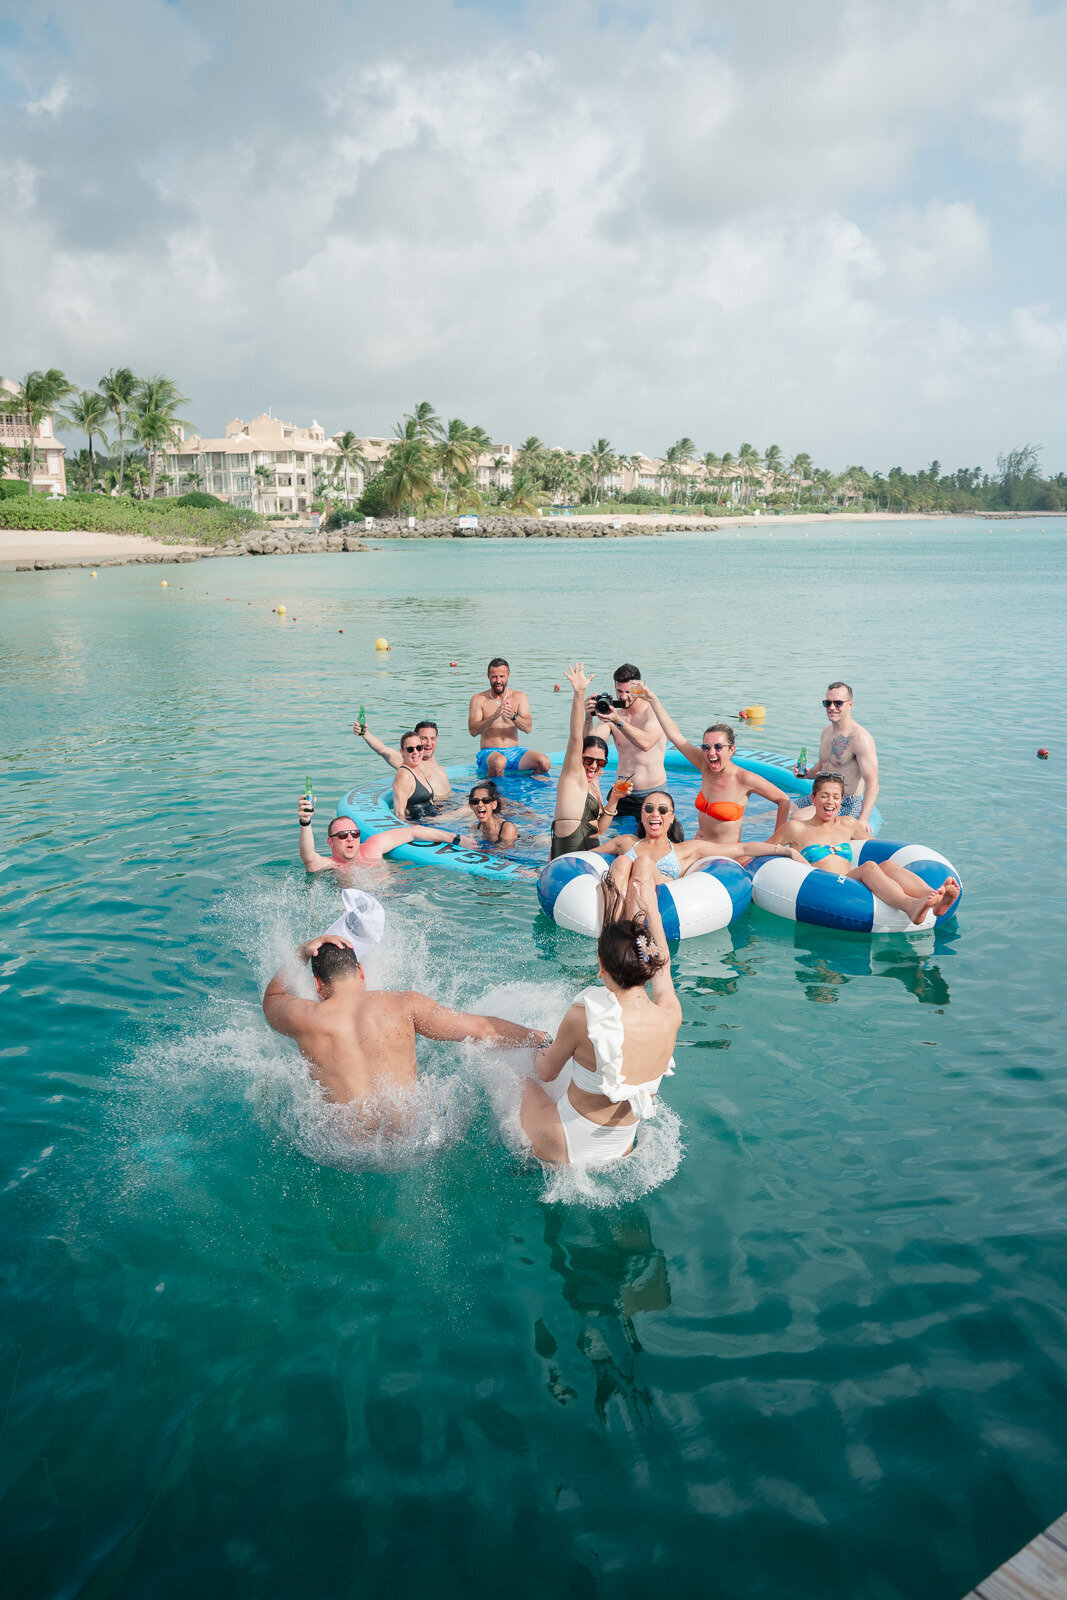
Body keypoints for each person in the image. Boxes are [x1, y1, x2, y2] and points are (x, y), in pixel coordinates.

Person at [263, 935, 550, 1111]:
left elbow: (274, 996)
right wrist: (539, 1037)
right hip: (412, 1139)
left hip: (342, 1147)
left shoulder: (304, 1017)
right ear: (360, 971)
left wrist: (302, 952)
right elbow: (483, 1030)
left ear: (317, 984)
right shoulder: (404, 1003)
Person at [519, 876, 681, 1166]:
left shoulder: (585, 1018)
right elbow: (664, 969)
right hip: (622, 1146)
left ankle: (522, 1167)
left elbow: (545, 1073)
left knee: (513, 1078)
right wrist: (653, 913)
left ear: (601, 966)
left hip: (565, 1143)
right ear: (648, 963)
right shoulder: (670, 1014)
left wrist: (539, 1046)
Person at [755, 773, 960, 924]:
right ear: (813, 798)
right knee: (870, 867)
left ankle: (936, 896)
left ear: (842, 800)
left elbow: (874, 846)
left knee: (887, 864)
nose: (830, 802)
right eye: (824, 796)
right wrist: (789, 851)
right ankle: (909, 905)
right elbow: (760, 850)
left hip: (852, 882)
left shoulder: (848, 824)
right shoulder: (796, 828)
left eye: (836, 797)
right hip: (825, 887)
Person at [638, 689, 791, 847]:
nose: (711, 753)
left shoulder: (744, 778)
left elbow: (784, 800)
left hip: (724, 853)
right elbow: (675, 736)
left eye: (718, 747)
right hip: (697, 846)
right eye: (706, 747)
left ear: (731, 749)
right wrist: (653, 700)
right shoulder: (704, 766)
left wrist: (774, 844)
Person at [594, 789, 745, 918]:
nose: (655, 814)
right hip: (621, 905)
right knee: (621, 862)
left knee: (643, 863)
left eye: (663, 810)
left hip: (664, 909)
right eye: (648, 809)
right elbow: (587, 856)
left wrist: (769, 848)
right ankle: (610, 933)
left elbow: (741, 849)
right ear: (641, 815)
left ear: (672, 818)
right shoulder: (626, 842)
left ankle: (630, 930)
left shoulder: (685, 849)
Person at [550, 662, 631, 858]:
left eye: (600, 762)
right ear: (579, 759)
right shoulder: (573, 778)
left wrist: (614, 800)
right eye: (588, 760)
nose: (593, 766)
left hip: (591, 858)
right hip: (569, 863)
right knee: (625, 842)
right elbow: (576, 736)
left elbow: (600, 830)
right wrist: (579, 693)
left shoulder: (594, 785)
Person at [296, 795, 473, 877]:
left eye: (354, 834)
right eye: (342, 835)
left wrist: (455, 839)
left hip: (395, 895)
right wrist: (305, 822)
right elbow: (309, 858)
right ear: (331, 842)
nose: (350, 838)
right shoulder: (332, 865)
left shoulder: (372, 847)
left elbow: (412, 832)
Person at [584, 663, 667, 822]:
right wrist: (588, 718)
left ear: (639, 689)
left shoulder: (652, 713)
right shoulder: (614, 714)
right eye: (619, 691)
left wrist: (618, 721)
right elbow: (590, 744)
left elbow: (646, 743)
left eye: (628, 692)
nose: (623, 697)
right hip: (621, 794)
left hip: (651, 795)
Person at [795, 681, 879, 832]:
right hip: (820, 795)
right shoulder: (826, 732)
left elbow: (873, 782)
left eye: (838, 703)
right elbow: (824, 763)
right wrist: (808, 774)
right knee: (779, 808)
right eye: (828, 703)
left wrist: (863, 819)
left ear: (850, 704)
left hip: (845, 802)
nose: (832, 707)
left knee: (798, 818)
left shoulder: (860, 738)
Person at [468, 657, 550, 778]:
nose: (498, 681)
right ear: (488, 676)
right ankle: (493, 789)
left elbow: (528, 728)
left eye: (502, 676)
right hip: (490, 753)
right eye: (494, 677)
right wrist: (493, 717)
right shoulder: (479, 699)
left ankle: (525, 784)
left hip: (515, 751)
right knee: (499, 761)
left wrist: (513, 716)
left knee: (544, 762)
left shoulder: (519, 697)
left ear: (508, 676)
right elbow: (473, 731)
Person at [354, 716, 453, 805]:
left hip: (450, 805)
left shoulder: (436, 765)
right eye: (424, 738)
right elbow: (383, 750)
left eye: (432, 738)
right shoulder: (412, 762)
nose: (429, 743)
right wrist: (365, 733)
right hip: (433, 813)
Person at [392, 731, 440, 821]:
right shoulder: (404, 775)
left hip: (432, 821)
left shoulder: (417, 770)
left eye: (419, 748)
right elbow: (399, 813)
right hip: (422, 824)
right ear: (402, 752)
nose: (415, 752)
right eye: (410, 749)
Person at [468, 780, 519, 847]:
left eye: (486, 800)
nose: (480, 805)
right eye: (475, 801)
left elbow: (505, 852)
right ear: (471, 806)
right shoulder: (474, 829)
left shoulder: (507, 828)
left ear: (494, 804)